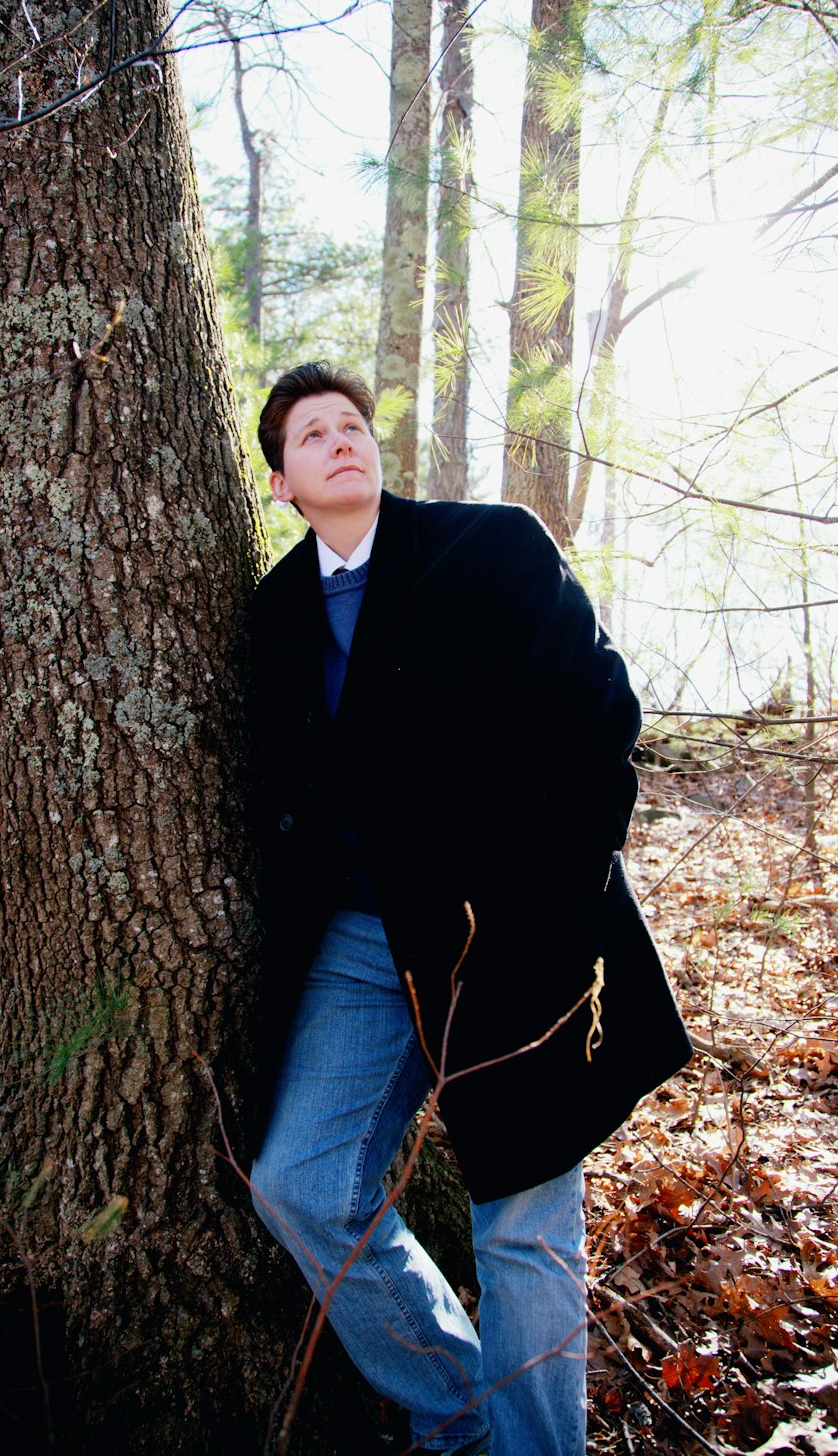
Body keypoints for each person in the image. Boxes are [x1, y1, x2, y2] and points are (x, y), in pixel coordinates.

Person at [247, 362, 692, 1455]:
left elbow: (598, 707)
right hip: (361, 941)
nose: (341, 439)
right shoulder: (273, 613)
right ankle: (459, 1413)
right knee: (298, 1184)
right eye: (312, 435)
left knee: (522, 1227)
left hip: (512, 929)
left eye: (352, 423)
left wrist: (557, 897)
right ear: (281, 483)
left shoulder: (486, 545)